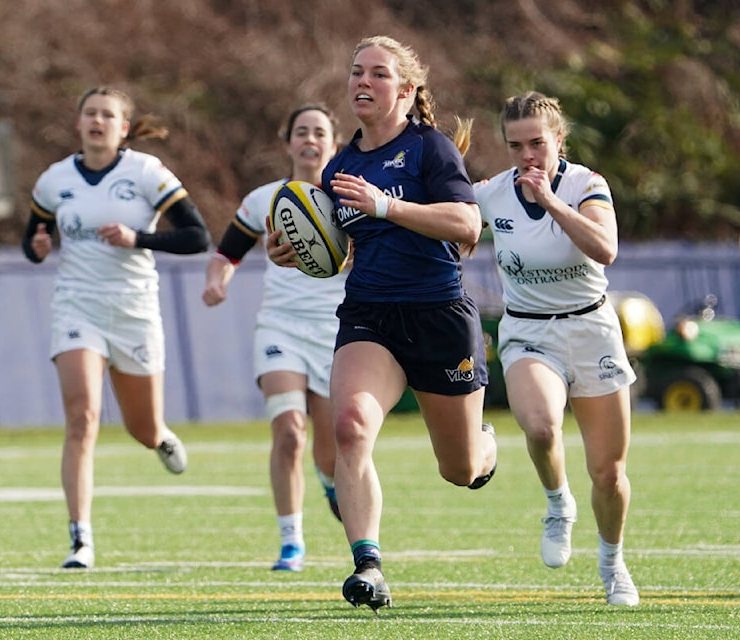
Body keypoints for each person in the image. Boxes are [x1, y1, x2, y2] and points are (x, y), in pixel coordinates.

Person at [268, 35, 497, 611]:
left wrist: (387, 205)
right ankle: (368, 565)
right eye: (355, 72)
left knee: (461, 469)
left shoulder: (431, 149)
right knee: (348, 427)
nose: (362, 82)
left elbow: (468, 225)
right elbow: (343, 247)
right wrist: (300, 250)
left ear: (407, 89)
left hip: (438, 315)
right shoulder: (342, 163)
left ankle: (485, 449)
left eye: (377, 74)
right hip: (369, 313)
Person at [22, 87, 210, 569]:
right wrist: (37, 248)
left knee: (142, 428)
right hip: (76, 307)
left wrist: (138, 238)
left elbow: (196, 237)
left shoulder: (146, 172)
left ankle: (160, 437)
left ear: (123, 127)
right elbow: (33, 236)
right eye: (90, 113)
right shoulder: (55, 179)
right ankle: (80, 538)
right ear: (79, 122)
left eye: (108, 115)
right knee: (83, 416)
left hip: (133, 310)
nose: (97, 121)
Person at [475, 91, 639, 606]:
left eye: (537, 143)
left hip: (592, 331)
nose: (527, 155)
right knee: (542, 425)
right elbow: (450, 227)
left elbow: (605, 248)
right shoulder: (492, 194)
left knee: (609, 473)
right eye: (515, 145)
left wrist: (549, 200)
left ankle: (613, 564)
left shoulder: (587, 184)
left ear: (558, 140)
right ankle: (556, 503)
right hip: (528, 331)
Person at [202, 105, 347, 572]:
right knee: (288, 433)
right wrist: (217, 280)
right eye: (301, 131)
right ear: (287, 142)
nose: (310, 139)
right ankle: (291, 543)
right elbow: (227, 252)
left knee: (330, 450)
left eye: (319, 131)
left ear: (334, 142)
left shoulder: (349, 196)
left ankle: (329, 482)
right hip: (280, 326)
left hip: (334, 330)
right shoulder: (265, 199)